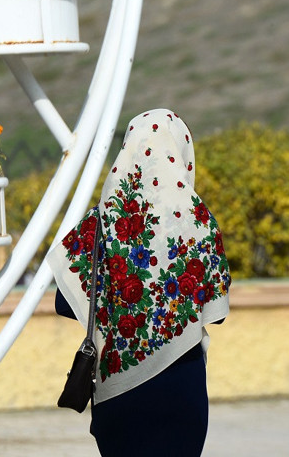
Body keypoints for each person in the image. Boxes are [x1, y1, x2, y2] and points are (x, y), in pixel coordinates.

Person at [48, 109, 231, 456]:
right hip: (183, 391)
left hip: (119, 392)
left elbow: (63, 302)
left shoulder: (101, 221)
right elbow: (217, 313)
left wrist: (119, 309)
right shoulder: (200, 221)